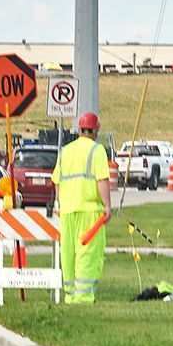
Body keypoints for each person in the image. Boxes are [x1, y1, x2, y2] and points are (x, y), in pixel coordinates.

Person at [51, 112, 111, 304]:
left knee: (68, 253)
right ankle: (83, 295)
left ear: (78, 130)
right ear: (95, 130)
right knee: (87, 253)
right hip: (89, 211)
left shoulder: (65, 151)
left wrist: (61, 203)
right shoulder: (97, 150)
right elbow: (102, 180)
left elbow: (57, 182)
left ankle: (70, 294)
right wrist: (107, 206)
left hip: (67, 211)